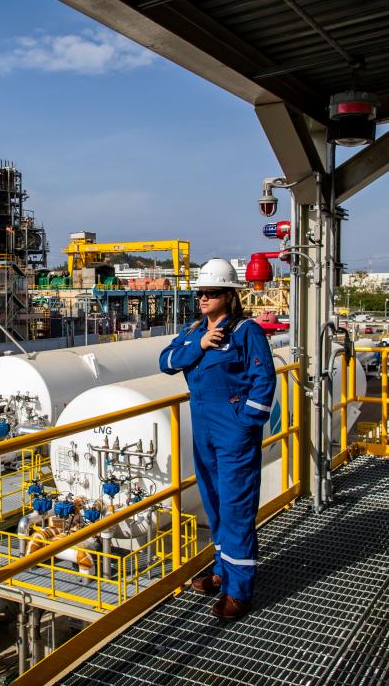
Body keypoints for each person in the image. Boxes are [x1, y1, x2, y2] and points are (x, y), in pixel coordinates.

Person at [159, 258, 276, 620]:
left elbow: (264, 381)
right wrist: (202, 346)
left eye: (211, 292)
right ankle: (222, 571)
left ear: (229, 295)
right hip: (204, 428)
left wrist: (245, 424)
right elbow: (166, 361)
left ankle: (239, 592)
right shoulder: (195, 332)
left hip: (232, 429)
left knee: (236, 507)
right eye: (200, 292)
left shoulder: (246, 332)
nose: (203, 298)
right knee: (213, 503)